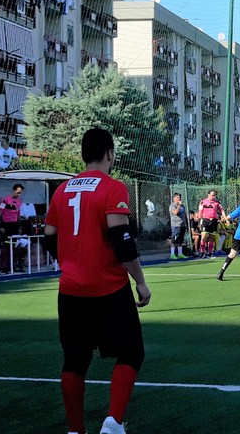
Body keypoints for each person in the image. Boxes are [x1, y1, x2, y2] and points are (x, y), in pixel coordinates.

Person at [44, 128, 150, 434]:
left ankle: (75, 430)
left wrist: (70, 261)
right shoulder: (113, 188)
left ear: (82, 154)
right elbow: (122, 240)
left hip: (71, 290)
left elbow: (49, 236)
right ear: (110, 154)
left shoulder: (62, 190)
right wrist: (140, 282)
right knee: (131, 351)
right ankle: (113, 421)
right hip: (109, 288)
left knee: (74, 360)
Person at [198, 189, 224, 258]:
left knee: (212, 237)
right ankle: (202, 252)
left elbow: (221, 210)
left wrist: (224, 218)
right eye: (212, 195)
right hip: (205, 220)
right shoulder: (203, 202)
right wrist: (200, 221)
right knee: (203, 236)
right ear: (208, 194)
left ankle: (210, 252)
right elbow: (200, 212)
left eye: (215, 195)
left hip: (214, 221)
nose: (214, 197)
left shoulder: (217, 202)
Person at [168, 193, 188, 260]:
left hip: (182, 225)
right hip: (176, 225)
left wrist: (186, 224)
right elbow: (176, 212)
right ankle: (172, 254)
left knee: (180, 241)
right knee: (174, 240)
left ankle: (180, 254)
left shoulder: (182, 206)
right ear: (174, 198)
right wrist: (179, 205)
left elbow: (184, 215)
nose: (179, 199)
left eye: (179, 197)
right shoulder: (172, 205)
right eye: (177, 197)